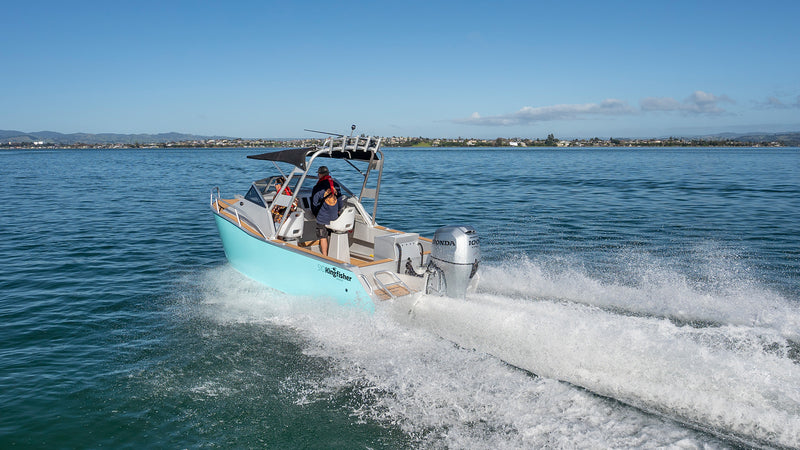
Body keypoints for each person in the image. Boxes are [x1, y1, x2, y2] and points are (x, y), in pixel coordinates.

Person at [311, 166, 344, 256]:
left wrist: (314, 214)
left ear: (320, 174)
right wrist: (338, 211)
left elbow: (314, 203)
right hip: (334, 216)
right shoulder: (336, 185)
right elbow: (340, 201)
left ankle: (325, 256)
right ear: (328, 174)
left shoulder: (318, 187)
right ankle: (332, 254)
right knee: (330, 234)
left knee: (323, 236)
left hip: (322, 217)